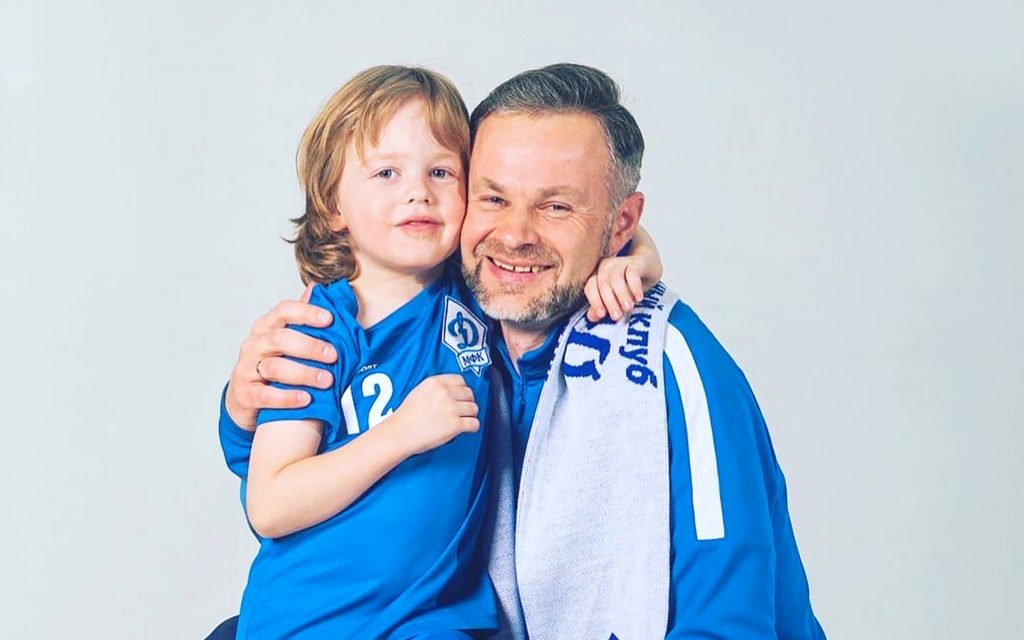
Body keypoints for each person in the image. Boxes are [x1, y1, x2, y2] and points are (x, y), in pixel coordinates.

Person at [220, 64, 826, 639]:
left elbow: (729, 619)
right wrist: (242, 409)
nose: (514, 236)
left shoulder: (666, 366)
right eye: (493, 199)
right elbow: (286, 484)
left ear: (620, 223)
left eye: (556, 206)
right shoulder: (465, 315)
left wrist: (639, 260)